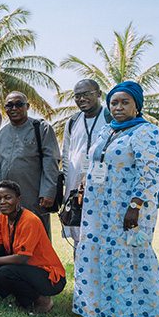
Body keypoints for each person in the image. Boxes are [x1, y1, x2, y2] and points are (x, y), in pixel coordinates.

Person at [73, 81, 159, 317]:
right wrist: (83, 184)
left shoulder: (146, 132)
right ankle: (102, 308)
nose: (118, 107)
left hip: (127, 207)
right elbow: (94, 161)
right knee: (100, 252)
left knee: (129, 255)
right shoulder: (107, 131)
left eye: (125, 102)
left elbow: (149, 172)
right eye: (114, 103)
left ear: (137, 106)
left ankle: (135, 313)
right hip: (98, 207)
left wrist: (135, 206)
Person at [0, 181, 66, 313]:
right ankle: (23, 299)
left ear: (19, 200)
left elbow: (22, 259)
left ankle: (43, 302)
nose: (2, 202)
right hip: (28, 269)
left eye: (8, 197)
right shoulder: (1, 219)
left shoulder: (30, 220)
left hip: (50, 277)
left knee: (5, 271)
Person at [0, 91, 60, 239]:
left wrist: (48, 192)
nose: (14, 108)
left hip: (34, 194)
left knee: (37, 234)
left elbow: (52, 161)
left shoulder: (41, 128)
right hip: (8, 198)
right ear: (5, 109)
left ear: (27, 106)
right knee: (11, 235)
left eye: (19, 104)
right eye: (9, 105)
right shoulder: (1, 134)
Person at [60, 79, 111, 246]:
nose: (82, 99)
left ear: (99, 94)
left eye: (86, 94)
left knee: (101, 229)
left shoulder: (110, 118)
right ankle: (79, 262)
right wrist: (67, 182)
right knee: (77, 230)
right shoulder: (73, 121)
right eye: (77, 96)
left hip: (102, 182)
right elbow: (66, 153)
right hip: (75, 185)